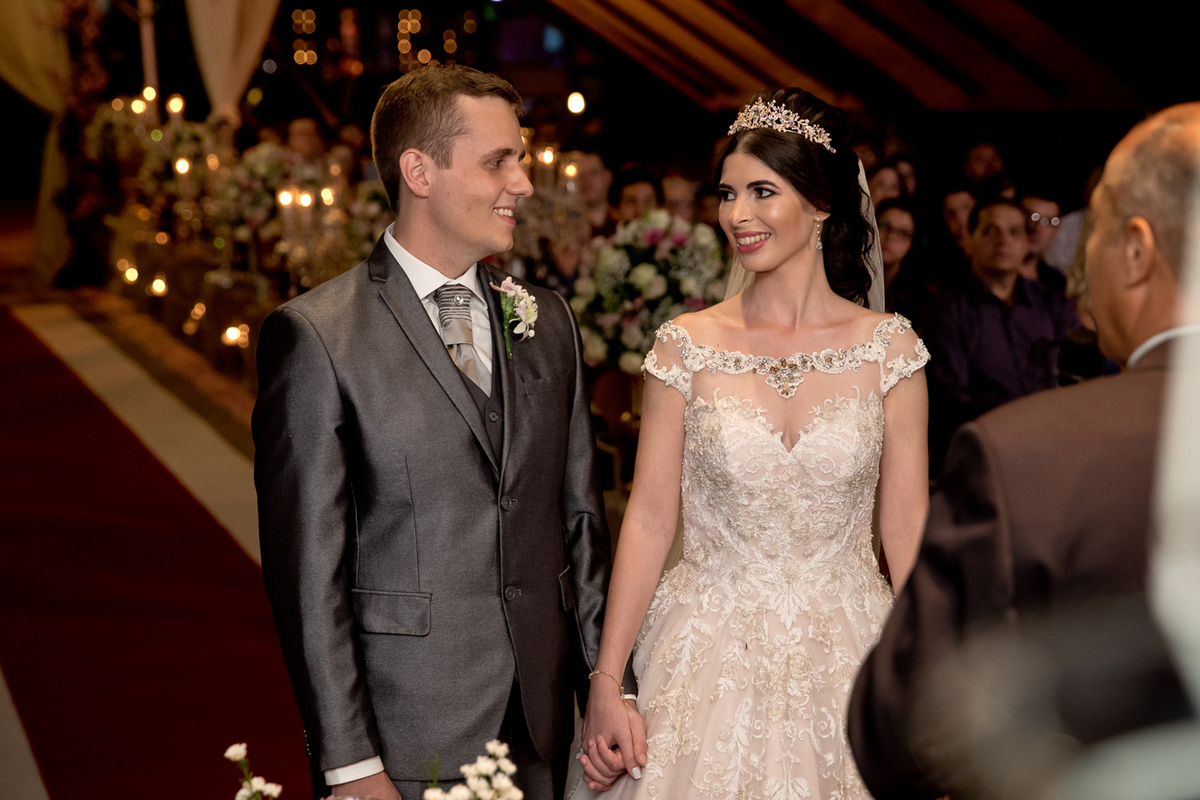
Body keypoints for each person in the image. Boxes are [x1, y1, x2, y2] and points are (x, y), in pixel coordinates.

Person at [253, 65, 625, 800]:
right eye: (498, 162)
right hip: (408, 735)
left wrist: (609, 685)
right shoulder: (317, 338)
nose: (523, 183)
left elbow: (582, 524)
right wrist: (350, 764)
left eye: (521, 159)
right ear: (418, 171)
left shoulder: (547, 320)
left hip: (546, 726)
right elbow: (308, 578)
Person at [573, 87, 931, 799]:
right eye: (728, 193)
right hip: (705, 651)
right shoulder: (685, 346)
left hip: (850, 646)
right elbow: (649, 519)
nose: (738, 214)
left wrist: (933, 666)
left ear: (821, 204)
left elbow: (905, 527)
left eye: (762, 192)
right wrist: (609, 681)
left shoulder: (890, 350)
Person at [847, 102, 1200, 800]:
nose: (1078, 258)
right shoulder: (958, 326)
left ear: (1135, 251)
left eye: (1092, 232)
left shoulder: (1026, 456)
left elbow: (897, 725)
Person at [923, 197, 1079, 472]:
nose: (1004, 241)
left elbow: (1076, 379)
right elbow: (951, 402)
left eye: (1014, 232)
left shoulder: (1053, 304)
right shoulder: (948, 311)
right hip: (985, 459)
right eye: (991, 231)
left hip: (1056, 448)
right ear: (969, 240)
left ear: (1025, 243)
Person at [878, 199, 934, 333]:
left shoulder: (921, 300)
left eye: (902, 233)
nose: (890, 237)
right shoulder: (844, 279)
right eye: (884, 226)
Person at [1017, 192, 1068, 294]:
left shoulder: (1056, 282)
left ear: (1056, 230)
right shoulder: (991, 274)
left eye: (1048, 221)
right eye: (1031, 217)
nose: (1038, 228)